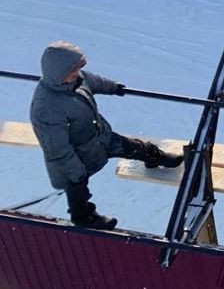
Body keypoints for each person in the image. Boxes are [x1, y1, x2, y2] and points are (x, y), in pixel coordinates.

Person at [29, 41, 185, 230]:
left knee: (132, 146)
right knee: (77, 191)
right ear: (58, 74)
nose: (77, 74)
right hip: (74, 158)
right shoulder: (46, 107)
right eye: (73, 71)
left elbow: (93, 81)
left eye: (78, 69)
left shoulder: (74, 79)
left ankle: (154, 157)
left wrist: (114, 87)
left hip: (99, 137)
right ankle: (85, 218)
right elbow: (57, 149)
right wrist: (78, 173)